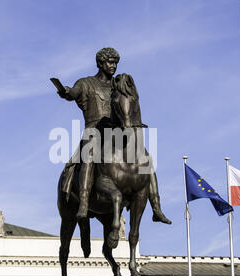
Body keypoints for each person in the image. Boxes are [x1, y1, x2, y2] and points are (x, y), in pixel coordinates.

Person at [57, 48, 171, 224]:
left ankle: (156, 207)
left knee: (145, 158)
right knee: (88, 154)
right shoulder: (87, 83)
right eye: (110, 62)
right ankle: (84, 202)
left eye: (115, 63)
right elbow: (73, 93)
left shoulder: (117, 86)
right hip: (94, 131)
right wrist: (66, 91)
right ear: (101, 63)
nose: (113, 66)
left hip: (117, 133)